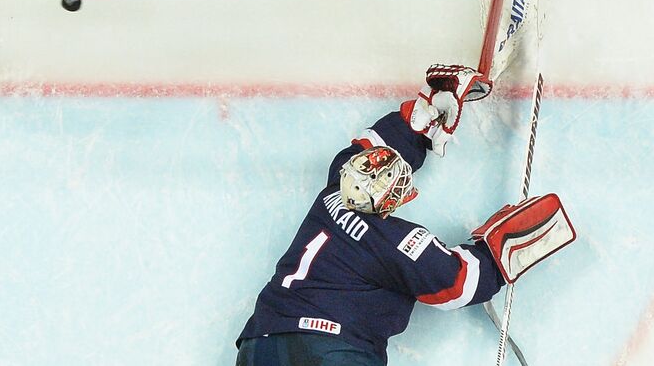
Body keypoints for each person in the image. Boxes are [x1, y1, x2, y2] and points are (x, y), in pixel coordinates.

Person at [235, 64, 575, 366]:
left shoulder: (335, 190)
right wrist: (500, 246)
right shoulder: (398, 243)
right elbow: (460, 284)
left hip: (261, 342)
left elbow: (373, 151)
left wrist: (427, 111)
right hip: (333, 350)